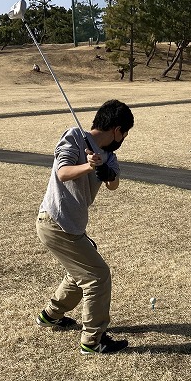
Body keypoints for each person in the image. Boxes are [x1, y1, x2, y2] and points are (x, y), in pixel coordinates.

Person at [35, 99, 134, 354]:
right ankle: (93, 340)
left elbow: (114, 185)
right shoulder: (75, 137)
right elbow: (63, 172)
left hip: (73, 225)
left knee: (78, 274)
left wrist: (106, 173)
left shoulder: (109, 156)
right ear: (117, 129)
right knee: (97, 276)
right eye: (125, 133)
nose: (123, 138)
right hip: (55, 221)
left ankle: (51, 315)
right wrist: (89, 165)